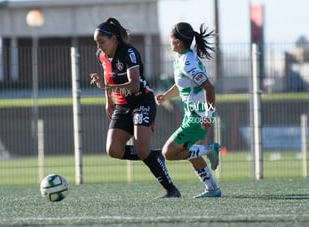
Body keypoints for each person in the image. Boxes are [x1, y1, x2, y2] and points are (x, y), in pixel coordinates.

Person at [90, 17, 181, 198]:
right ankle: (154, 155)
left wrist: (106, 89)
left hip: (142, 101)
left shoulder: (128, 52)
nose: (99, 46)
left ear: (114, 38)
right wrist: (108, 101)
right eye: (96, 43)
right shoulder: (102, 56)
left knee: (140, 149)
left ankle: (171, 189)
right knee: (113, 150)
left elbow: (134, 86)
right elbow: (108, 78)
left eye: (102, 42)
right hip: (122, 106)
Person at [155, 22, 221, 198]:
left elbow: (209, 88)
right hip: (191, 114)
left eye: (170, 39)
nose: (169, 42)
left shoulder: (187, 62)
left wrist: (207, 116)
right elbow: (181, 85)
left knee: (168, 153)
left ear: (177, 41)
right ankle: (212, 188)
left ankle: (210, 149)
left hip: (198, 116)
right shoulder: (182, 59)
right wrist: (165, 97)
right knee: (189, 153)